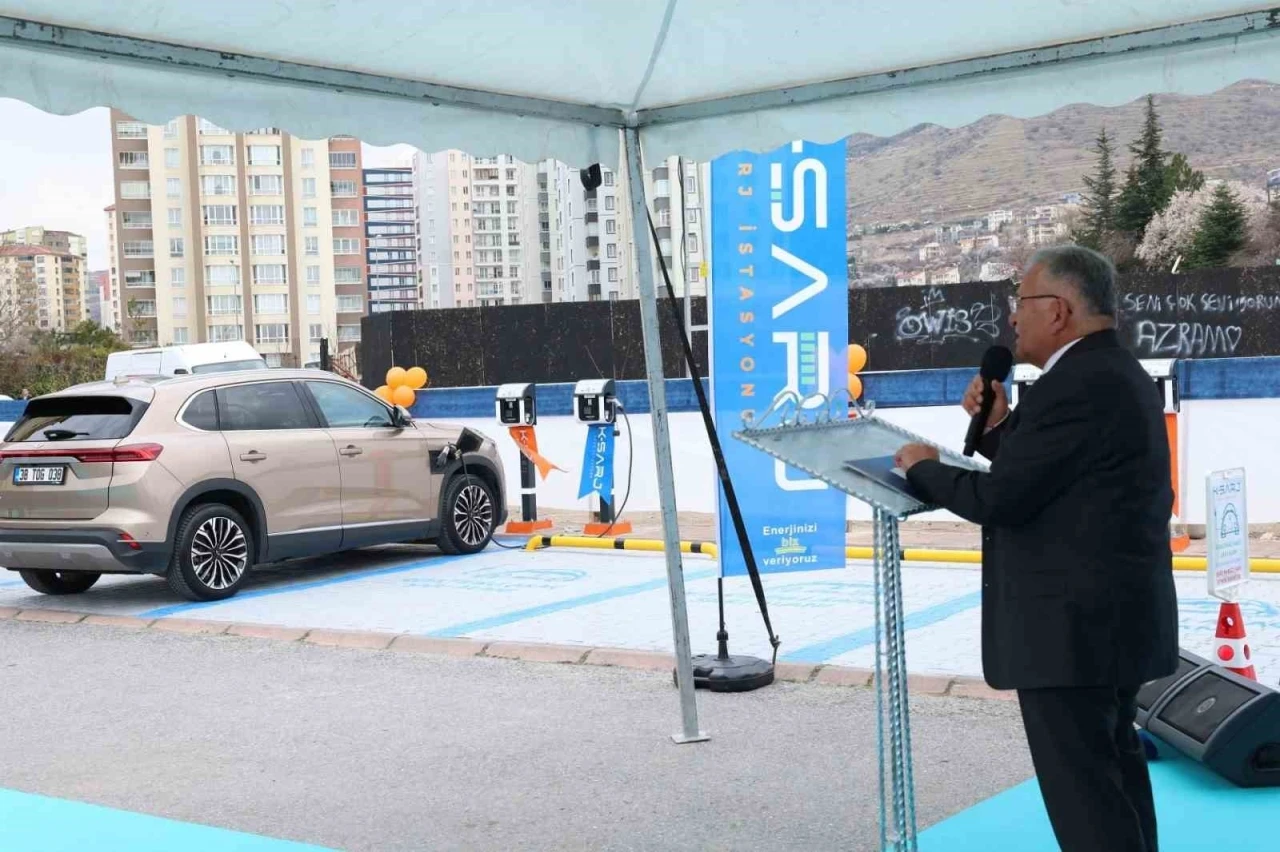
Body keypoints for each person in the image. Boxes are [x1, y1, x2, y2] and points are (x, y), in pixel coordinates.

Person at [893, 245, 1179, 852]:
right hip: (1110, 625)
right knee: (1115, 776)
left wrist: (922, 467)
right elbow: (1058, 478)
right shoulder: (1111, 372)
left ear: (1058, 310)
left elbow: (1002, 499)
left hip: (1074, 635)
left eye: (1019, 302)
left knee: (1087, 798)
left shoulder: (1076, 385)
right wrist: (999, 427)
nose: (1011, 318)